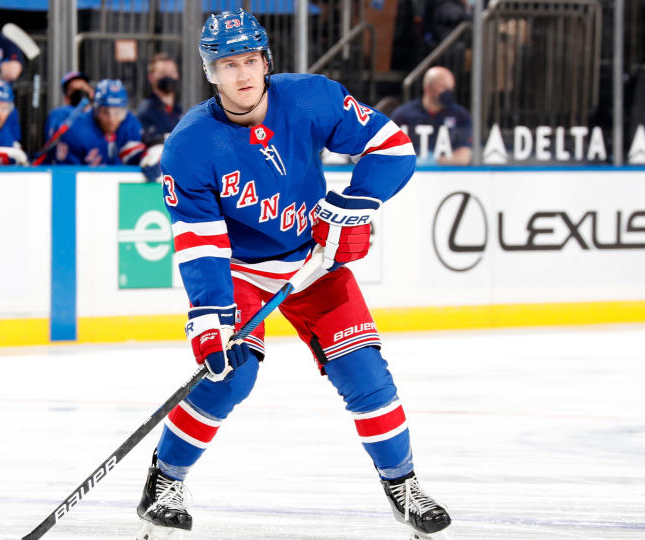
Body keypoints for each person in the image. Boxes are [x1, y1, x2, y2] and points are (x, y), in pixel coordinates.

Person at [135, 9, 451, 540]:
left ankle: (405, 485)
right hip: (241, 270)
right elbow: (200, 242)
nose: (243, 74)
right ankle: (164, 481)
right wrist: (208, 318)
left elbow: (393, 147)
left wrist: (350, 206)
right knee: (229, 376)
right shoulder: (189, 145)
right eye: (228, 63)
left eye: (251, 60)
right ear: (210, 72)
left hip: (313, 263)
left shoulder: (310, 97)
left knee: (366, 376)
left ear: (267, 60)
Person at [391, 65, 473, 165]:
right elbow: (390, 151)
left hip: (448, 175)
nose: (449, 92)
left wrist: (436, 162)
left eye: (451, 88)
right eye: (444, 87)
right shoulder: (403, 115)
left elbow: (465, 156)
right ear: (428, 88)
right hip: (413, 173)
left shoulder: (461, 116)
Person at [53, 78, 145, 166]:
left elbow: (138, 158)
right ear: (95, 110)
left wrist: (149, 157)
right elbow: (66, 175)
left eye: (118, 112)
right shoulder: (75, 131)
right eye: (105, 112)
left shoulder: (131, 125)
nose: (111, 119)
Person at [135, 53, 183, 181]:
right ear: (151, 77)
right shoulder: (145, 111)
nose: (168, 77)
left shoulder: (181, 112)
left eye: (172, 72)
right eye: (162, 73)